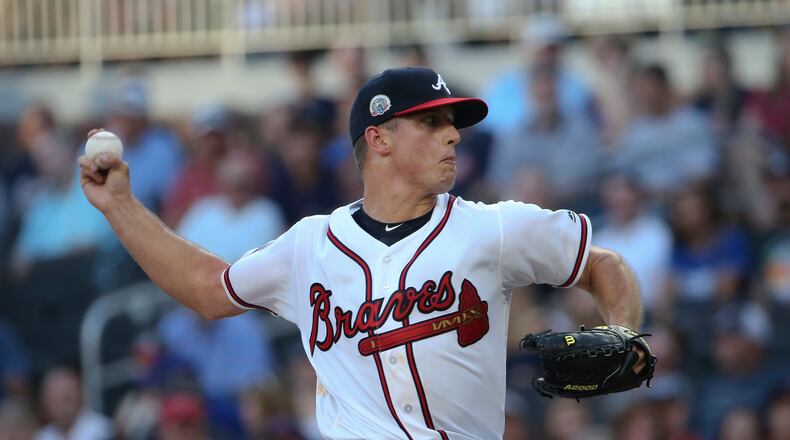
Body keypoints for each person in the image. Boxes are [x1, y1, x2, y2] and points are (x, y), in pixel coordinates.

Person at [79, 66, 648, 439]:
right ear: (378, 139)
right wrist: (121, 206)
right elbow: (210, 290)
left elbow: (604, 264)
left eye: (453, 124)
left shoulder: (493, 228)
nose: (452, 135)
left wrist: (623, 332)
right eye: (431, 122)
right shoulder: (309, 246)